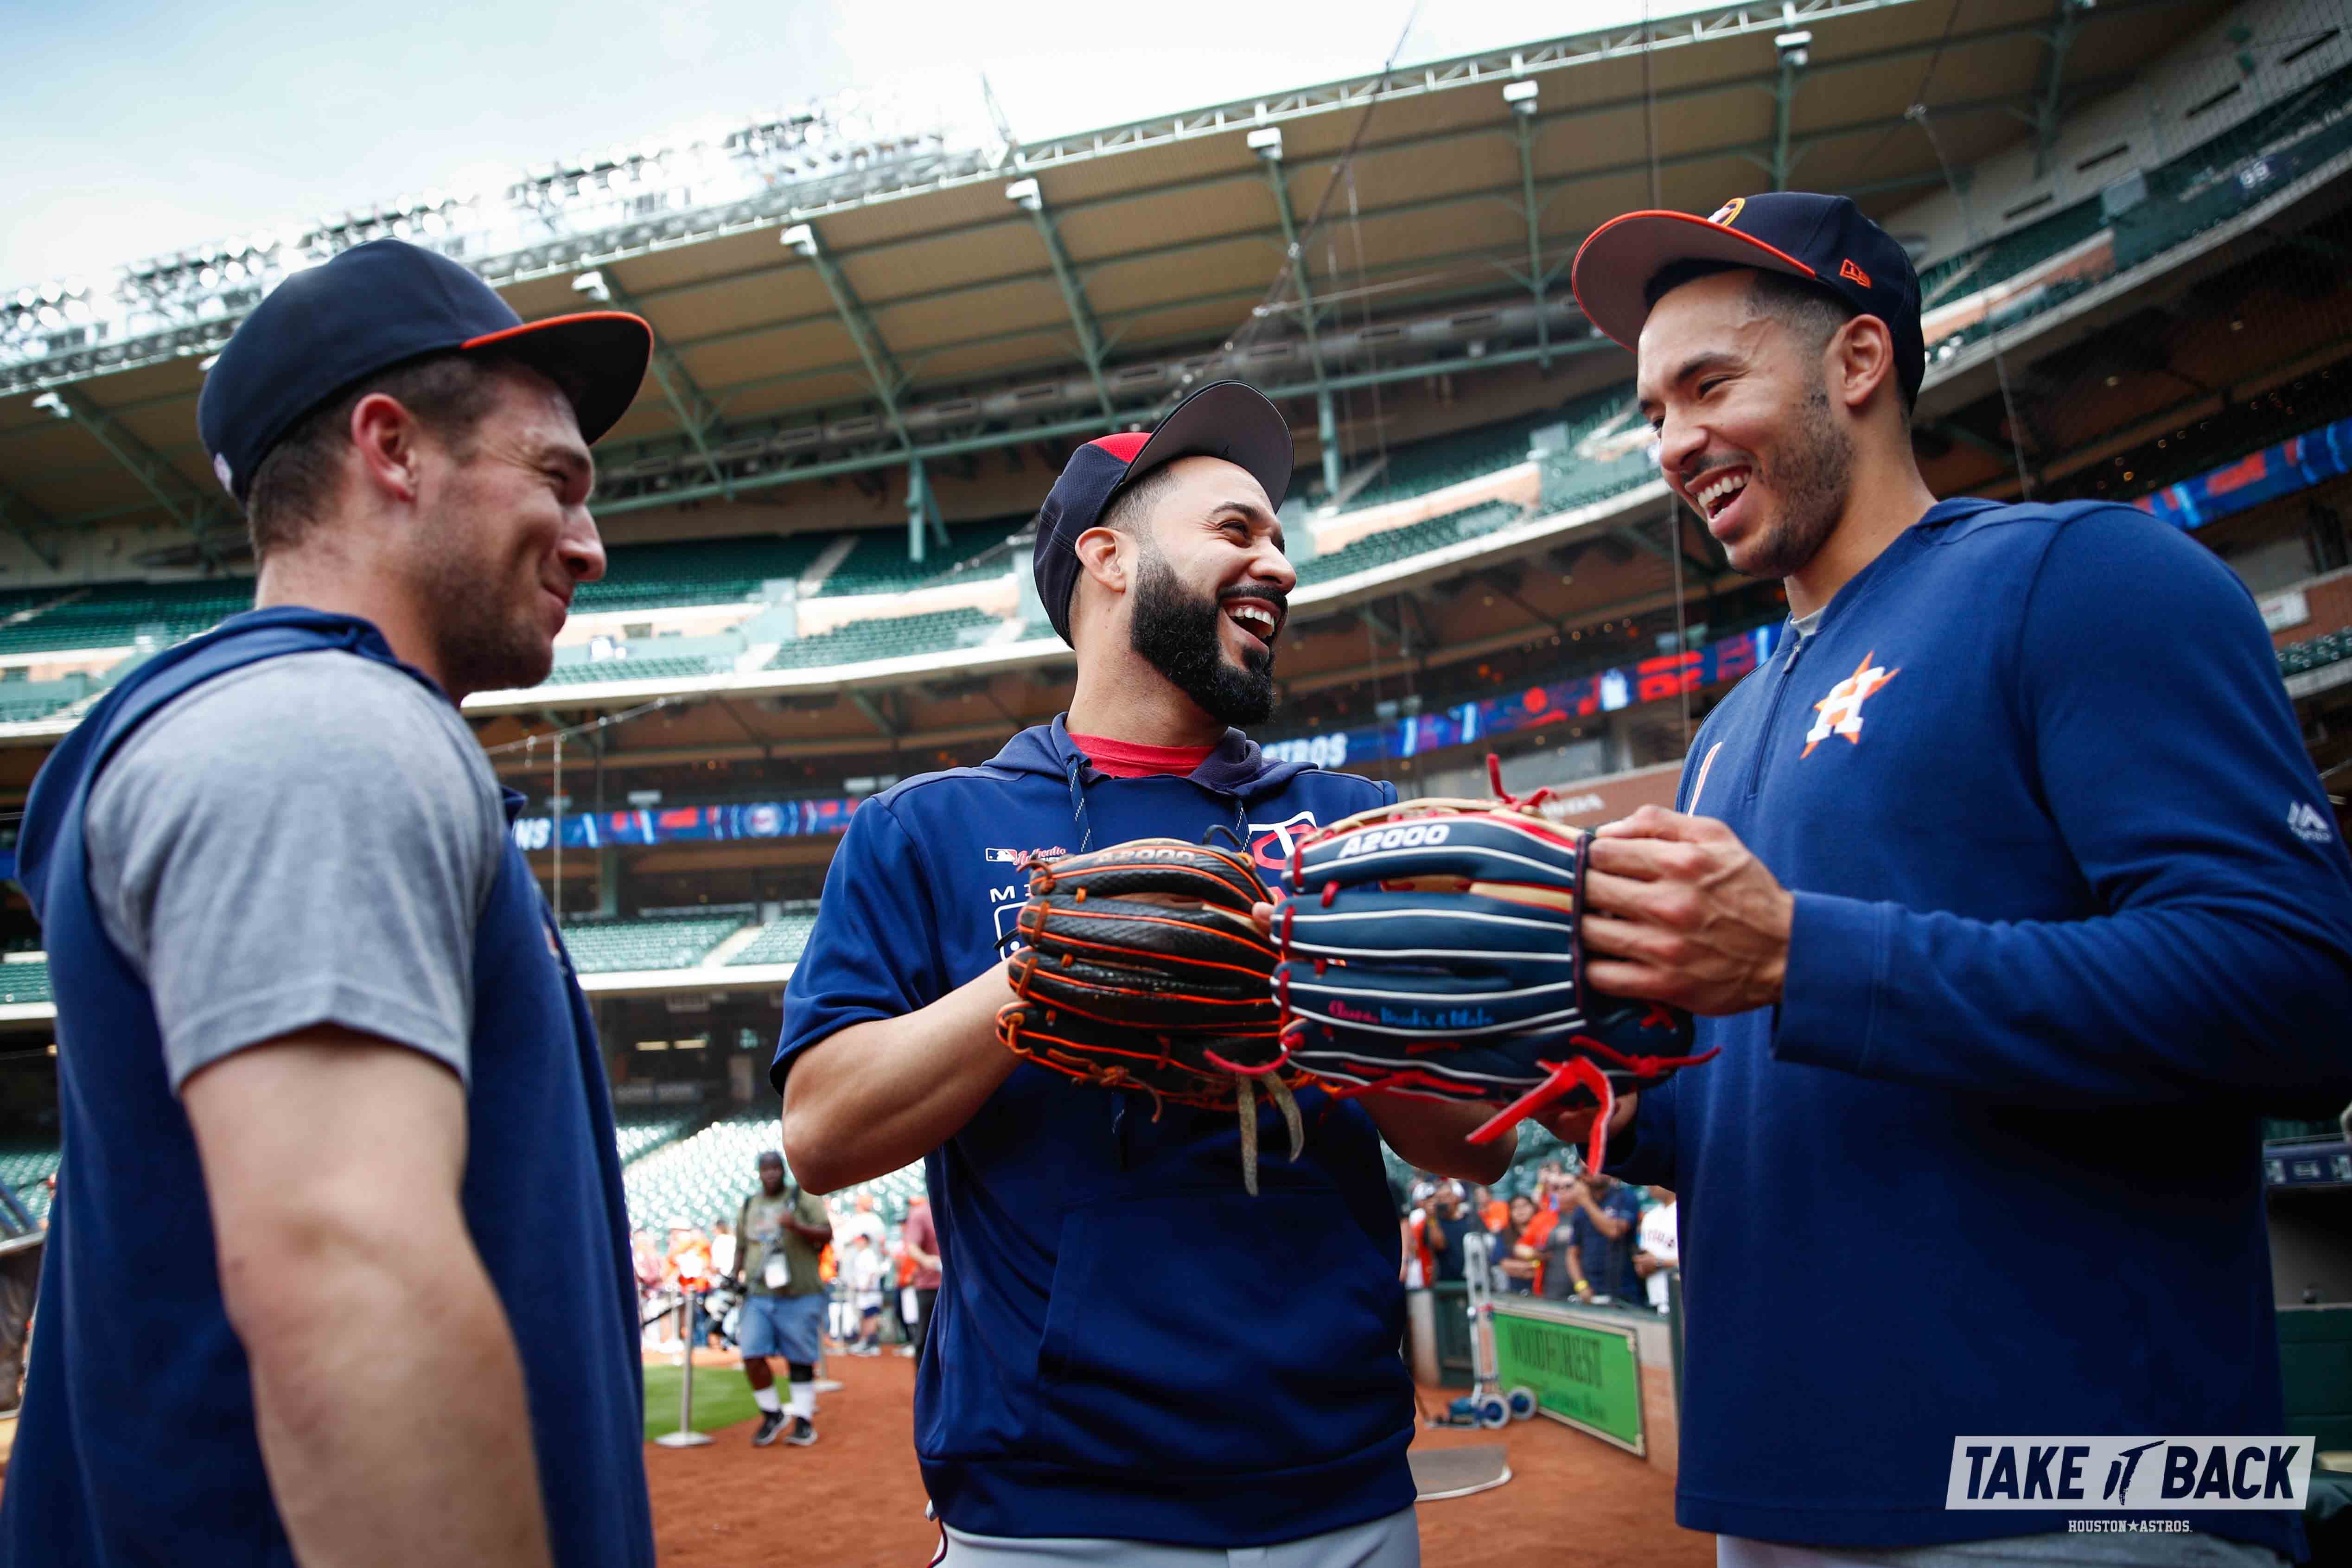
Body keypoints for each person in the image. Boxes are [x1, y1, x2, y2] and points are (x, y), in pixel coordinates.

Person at [1561, 191, 2352, 1565]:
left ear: (1856, 362)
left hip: (2081, 1483)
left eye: (1706, 383)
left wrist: (1805, 954)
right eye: (1649, 413)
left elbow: (2293, 989)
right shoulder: (1722, 733)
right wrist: (1562, 1092)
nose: (1673, 442)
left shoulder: (2080, 575)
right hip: (1779, 1488)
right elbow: (1749, 1121)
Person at [776, 381, 1556, 1566]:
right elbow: (823, 1135)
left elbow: (1476, 1138)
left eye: (1281, 541)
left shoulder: (1347, 822)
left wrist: (1312, 972)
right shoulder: (922, 828)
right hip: (1048, 1511)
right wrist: (1050, 968)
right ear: (1108, 557)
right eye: (1237, 531)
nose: (1280, 569)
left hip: (1334, 1488)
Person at [0, 240, 655, 1568]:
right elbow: (350, 1277)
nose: (590, 540)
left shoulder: (295, 726)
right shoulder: (324, 731)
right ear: (392, 448)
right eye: (556, 477)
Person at [730, 1150, 831, 1448]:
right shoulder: (750, 1204)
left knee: (799, 1358)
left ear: (783, 1170)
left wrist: (796, 1226)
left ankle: (803, 1422)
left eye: (776, 1168)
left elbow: (827, 1234)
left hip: (799, 1292)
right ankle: (773, 1414)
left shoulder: (802, 1198)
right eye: (766, 1169)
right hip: (759, 1294)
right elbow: (741, 1247)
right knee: (751, 1353)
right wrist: (734, 1275)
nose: (771, 1174)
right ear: (759, 1172)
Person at [1559, 1174, 1641, 1304]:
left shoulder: (1625, 1196)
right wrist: (1581, 1286)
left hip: (1624, 1292)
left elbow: (1614, 1231)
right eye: (1588, 1170)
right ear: (1582, 1176)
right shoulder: (1580, 1210)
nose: (1595, 1172)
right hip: (1592, 1293)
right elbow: (1572, 1254)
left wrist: (1586, 1202)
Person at [901, 1192, 943, 1368]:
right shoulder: (921, 1214)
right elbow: (912, 1247)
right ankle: (925, 1388)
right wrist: (926, 1260)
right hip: (930, 1286)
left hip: (962, 1285)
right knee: (926, 1337)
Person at [1421, 1180, 1489, 1286]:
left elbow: (1486, 1245)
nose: (1443, 1201)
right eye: (1439, 1198)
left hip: (1474, 1282)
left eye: (1447, 1196)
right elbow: (1439, 1245)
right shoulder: (1433, 1223)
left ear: (1457, 1198)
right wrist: (1432, 1218)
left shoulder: (1472, 1219)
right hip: (1446, 1284)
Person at [1634, 1186, 1678, 1313]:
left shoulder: (1687, 1212)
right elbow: (1643, 1266)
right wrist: (1642, 1265)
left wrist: (1658, 1263)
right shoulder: (1650, 1217)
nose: (1650, 1186)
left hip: (1681, 1301)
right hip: (1655, 1299)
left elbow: (1696, 1262)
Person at [1495, 1194, 1543, 1295]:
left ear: (1533, 1207)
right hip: (1515, 1291)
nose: (1520, 1211)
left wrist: (1520, 1268)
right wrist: (1535, 1266)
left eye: (1524, 1206)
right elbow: (1505, 1265)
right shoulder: (1504, 1234)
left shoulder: (1545, 1231)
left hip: (1544, 1289)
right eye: (1515, 1208)